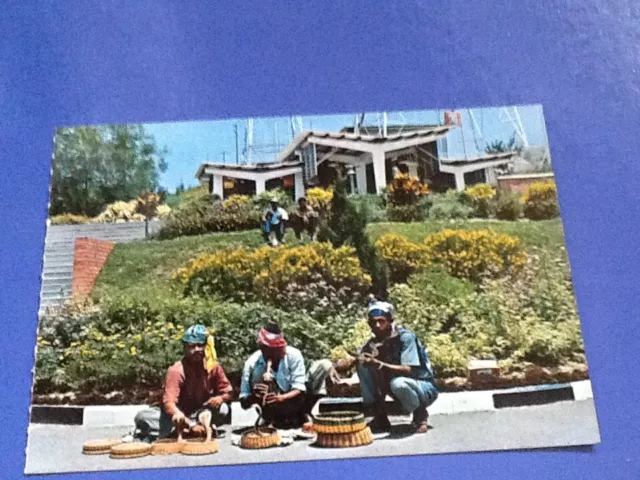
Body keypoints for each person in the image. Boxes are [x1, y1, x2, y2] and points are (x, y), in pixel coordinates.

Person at [336, 300, 438, 433]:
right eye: (373, 322)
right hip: (397, 388)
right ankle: (379, 415)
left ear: (390, 321)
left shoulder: (406, 338)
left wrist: (380, 364)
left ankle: (420, 414)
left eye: (381, 321)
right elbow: (354, 359)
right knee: (363, 366)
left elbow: (407, 369)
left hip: (423, 387)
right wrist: (334, 367)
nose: (377, 325)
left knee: (398, 383)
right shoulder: (374, 342)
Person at [133, 324, 233, 442]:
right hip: (177, 415)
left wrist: (220, 398)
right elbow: (169, 403)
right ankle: (191, 430)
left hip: (199, 412)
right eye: (192, 346)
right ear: (185, 348)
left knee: (224, 409)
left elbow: (229, 392)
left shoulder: (213, 366)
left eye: (200, 345)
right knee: (142, 417)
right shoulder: (176, 370)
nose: (197, 350)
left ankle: (186, 430)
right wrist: (190, 425)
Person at [239, 323, 333, 429]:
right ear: (264, 349)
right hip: (271, 406)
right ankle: (270, 418)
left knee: (325, 365)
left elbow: (299, 389)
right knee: (258, 374)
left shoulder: (293, 355)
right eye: (276, 350)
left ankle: (304, 413)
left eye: (282, 347)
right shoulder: (252, 364)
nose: (283, 351)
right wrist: (255, 397)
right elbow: (243, 402)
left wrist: (281, 398)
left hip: (295, 401)